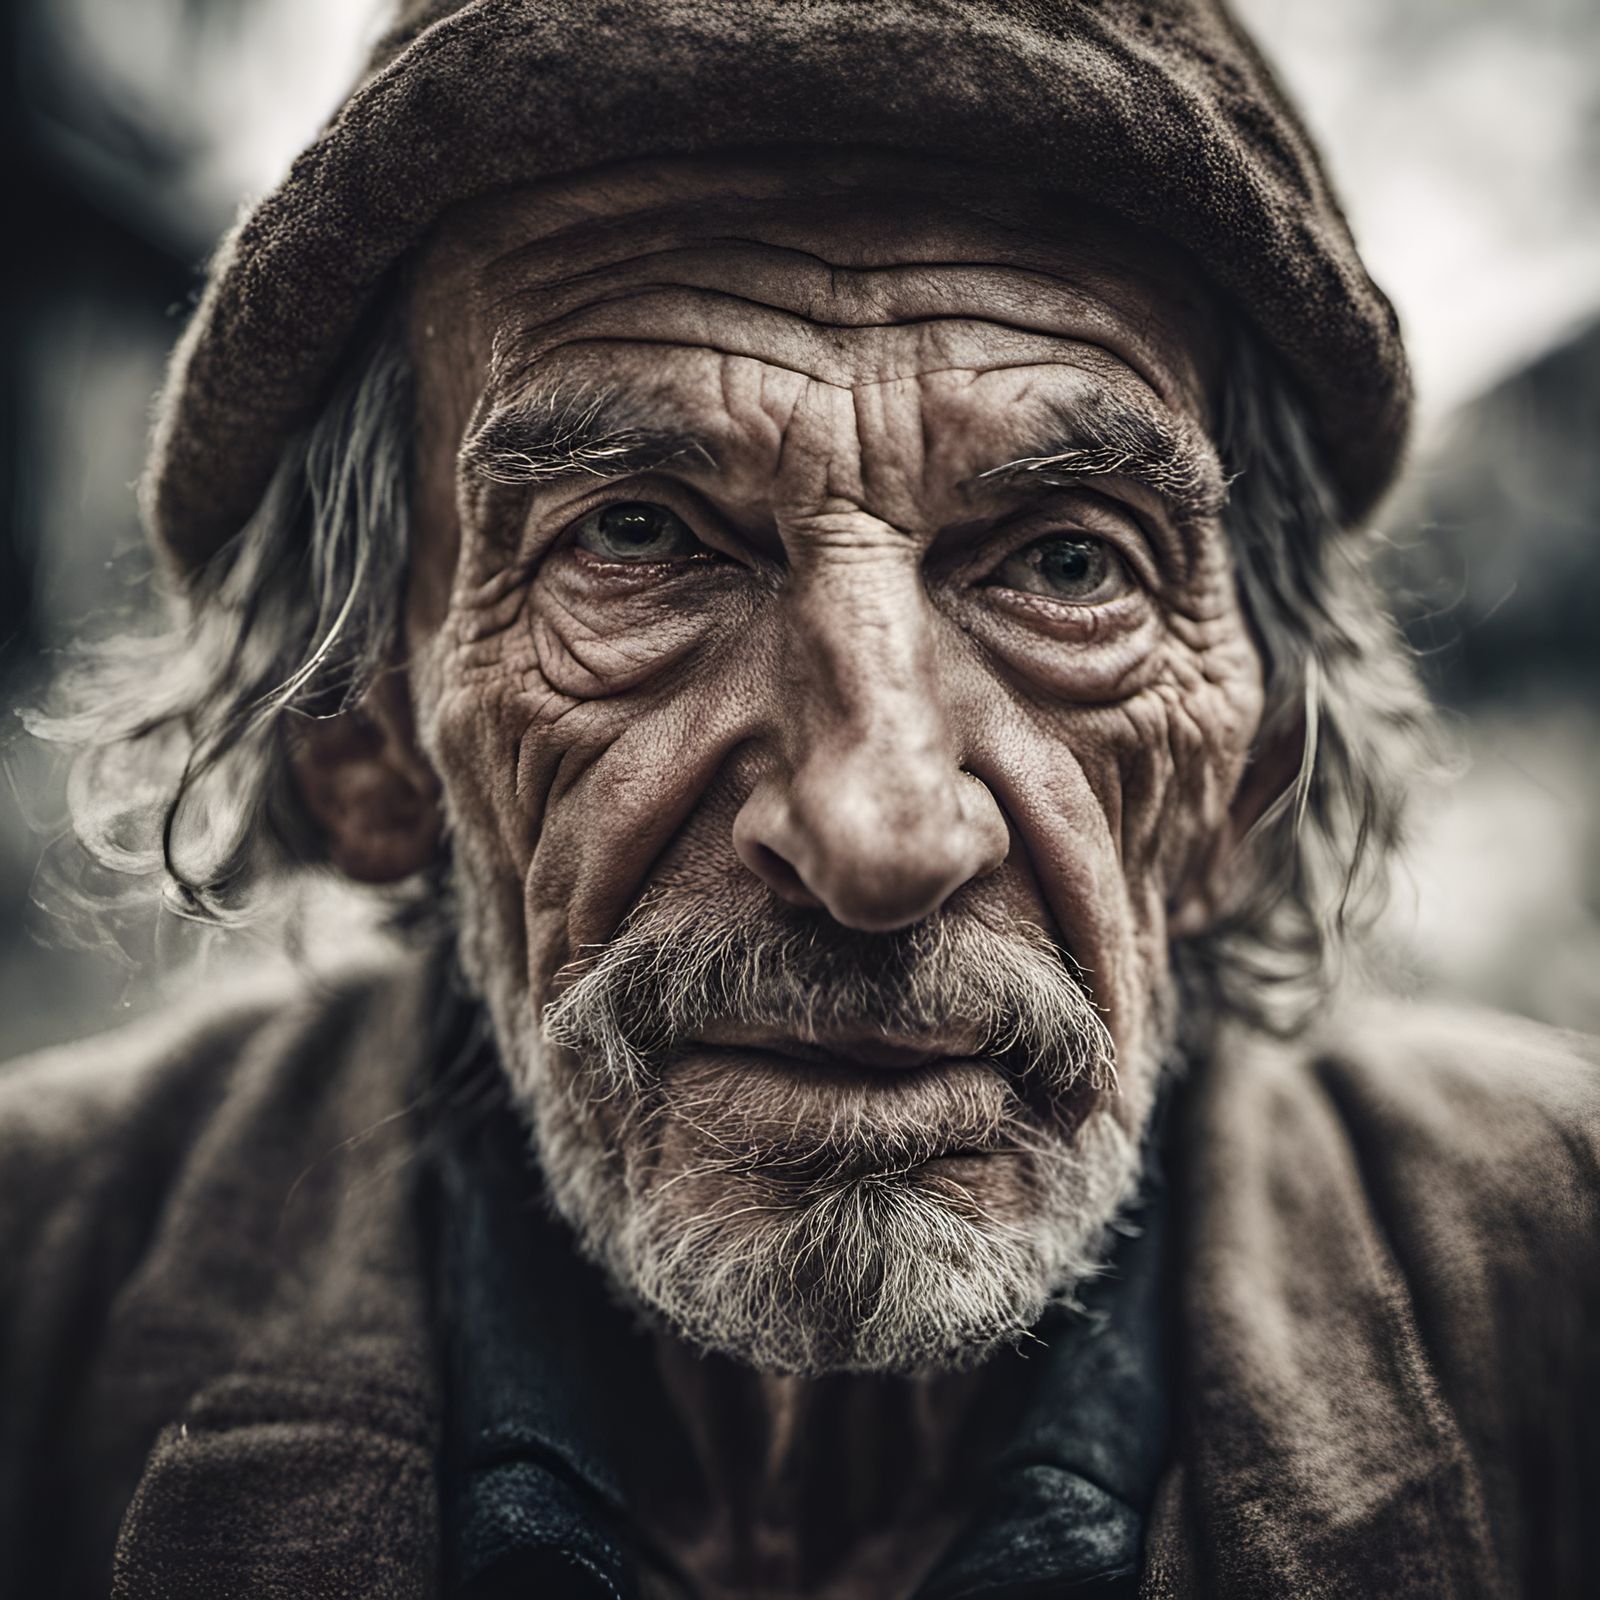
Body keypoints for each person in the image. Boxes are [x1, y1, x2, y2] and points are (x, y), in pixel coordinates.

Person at [4, 2, 1596, 1596]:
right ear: (360, 722)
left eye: (1064, 563)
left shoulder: (1558, 1280)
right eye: (634, 537)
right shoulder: (35, 1290)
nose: (878, 830)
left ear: (1249, 769)